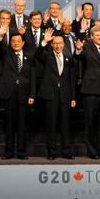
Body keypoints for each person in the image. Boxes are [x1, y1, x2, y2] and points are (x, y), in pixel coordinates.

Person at [0, 28, 36, 160]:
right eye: (13, 41)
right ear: (10, 43)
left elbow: (32, 77)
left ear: (23, 43)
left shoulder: (29, 56)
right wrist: (0, 35)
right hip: (9, 94)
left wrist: (32, 95)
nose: (16, 43)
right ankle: (8, 151)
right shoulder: (6, 53)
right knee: (9, 124)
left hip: (24, 94)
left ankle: (22, 151)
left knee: (22, 125)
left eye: (19, 41)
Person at [75, 25, 100, 159]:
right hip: (91, 90)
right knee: (90, 122)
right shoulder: (87, 47)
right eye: (97, 35)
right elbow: (80, 56)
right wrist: (78, 50)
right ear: (91, 37)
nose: (99, 37)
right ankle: (92, 151)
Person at [36, 28, 76, 160]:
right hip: (50, 94)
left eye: (60, 43)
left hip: (65, 95)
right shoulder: (47, 55)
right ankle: (51, 152)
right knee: (51, 124)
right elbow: (38, 54)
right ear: (52, 44)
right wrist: (44, 42)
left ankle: (66, 151)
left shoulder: (69, 57)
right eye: (55, 43)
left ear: (64, 44)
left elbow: (71, 79)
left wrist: (73, 97)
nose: (58, 45)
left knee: (66, 124)